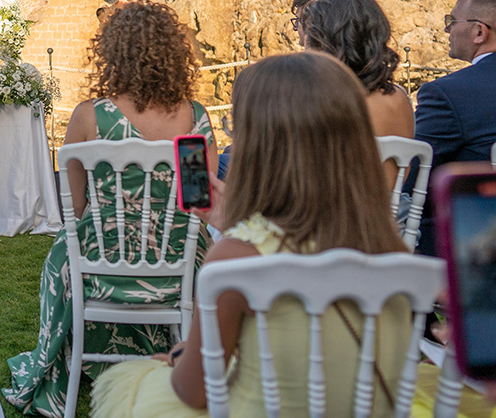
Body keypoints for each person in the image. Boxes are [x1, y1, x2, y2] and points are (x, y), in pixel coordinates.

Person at [87, 52, 410, 418]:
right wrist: (236, 224)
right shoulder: (394, 251)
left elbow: (194, 391)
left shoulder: (235, 259)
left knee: (136, 381)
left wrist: (177, 358)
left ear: (258, 146)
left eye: (233, 126)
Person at [4, 0, 216, 417]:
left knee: (63, 257)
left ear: (112, 53)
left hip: (100, 264)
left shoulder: (89, 117)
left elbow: (77, 206)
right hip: (179, 264)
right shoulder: (195, 118)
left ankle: (77, 358)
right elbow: (199, 201)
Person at [414, 0, 496, 256]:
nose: (447, 28)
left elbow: (413, 179)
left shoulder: (448, 94)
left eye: (452, 20)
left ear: (478, 32)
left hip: (471, 249)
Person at [300, 0, 413, 188]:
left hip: (343, 214)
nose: (305, 44)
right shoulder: (400, 97)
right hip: (396, 213)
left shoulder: (331, 105)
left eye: (311, 36)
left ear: (326, 43)